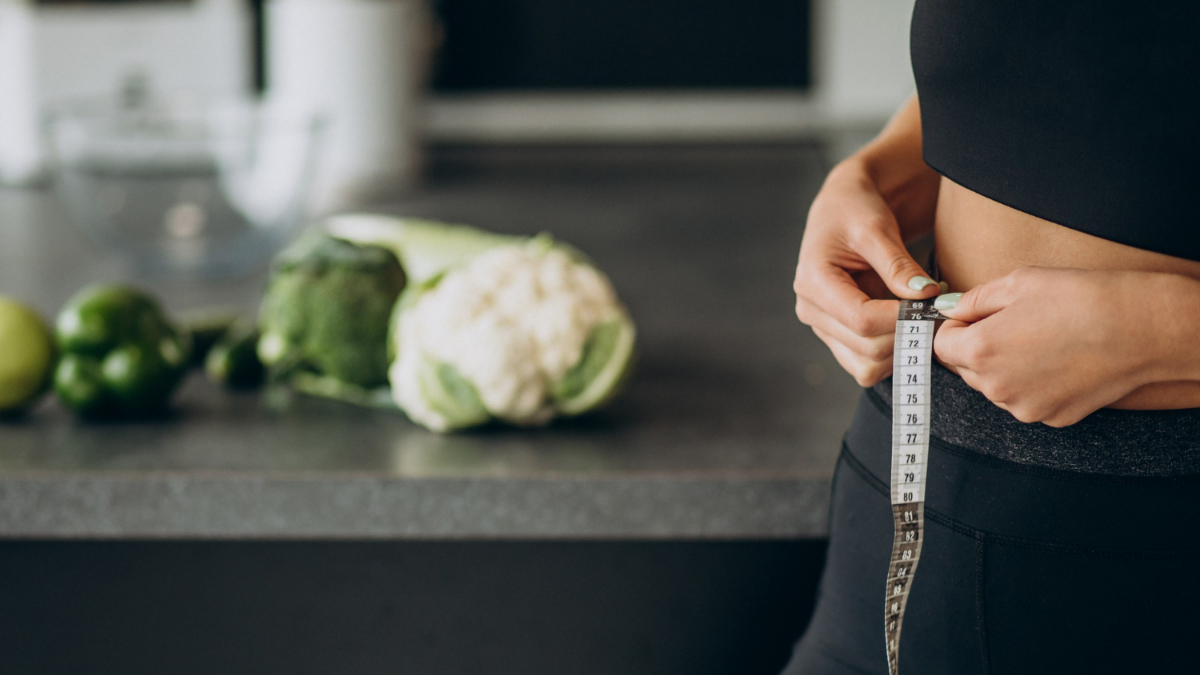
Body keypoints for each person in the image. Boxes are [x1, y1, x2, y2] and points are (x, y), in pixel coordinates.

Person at [785, 1, 1200, 673]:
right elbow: (1048, 67)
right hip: (911, 471)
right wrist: (875, 176)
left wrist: (1166, 331)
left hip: (1166, 544)